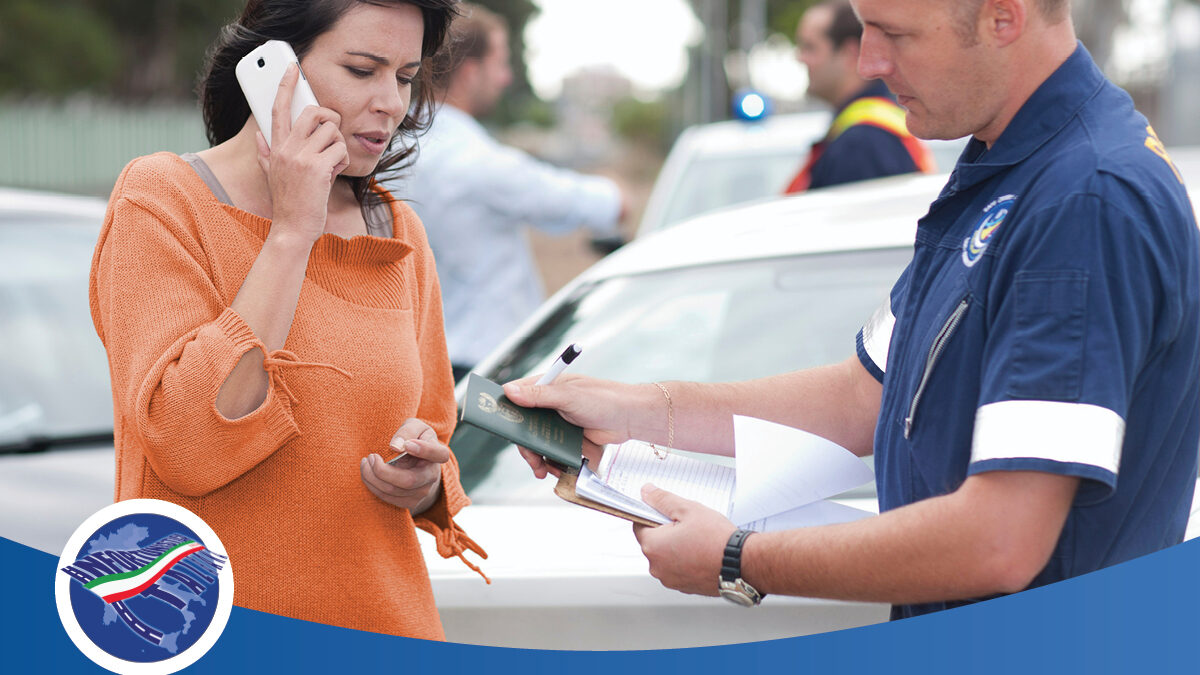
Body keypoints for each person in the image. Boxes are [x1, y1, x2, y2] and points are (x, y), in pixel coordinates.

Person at [506, 0, 1199, 620]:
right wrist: (635, 410)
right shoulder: (1009, 161)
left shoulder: (1084, 200)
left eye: (894, 33)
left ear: (1002, 17)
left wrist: (738, 556)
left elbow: (1002, 540)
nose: (869, 61)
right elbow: (861, 394)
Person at [88, 0, 487, 639]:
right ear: (275, 72)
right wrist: (293, 231)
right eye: (363, 70)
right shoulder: (161, 202)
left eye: (406, 77)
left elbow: (435, 428)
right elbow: (187, 442)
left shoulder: (398, 229)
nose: (392, 102)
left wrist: (421, 483)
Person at [385, 4, 625, 382]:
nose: (506, 77)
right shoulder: (478, 161)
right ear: (470, 71)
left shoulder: (390, 147)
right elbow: (583, 202)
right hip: (483, 362)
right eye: (500, 63)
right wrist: (616, 194)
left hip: (411, 357)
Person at [784, 0, 934, 193]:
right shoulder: (868, 127)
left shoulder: (862, 142)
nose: (800, 58)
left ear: (849, 53)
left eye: (810, 47)